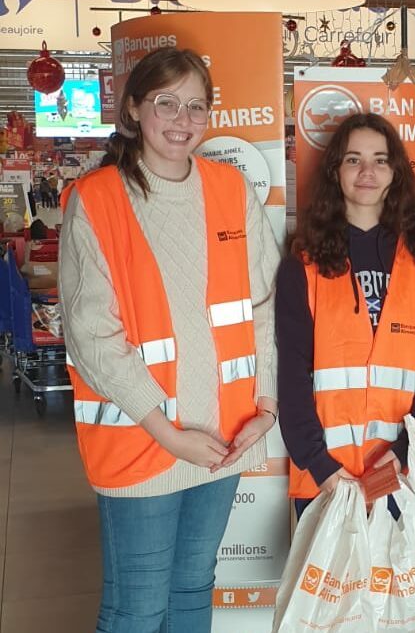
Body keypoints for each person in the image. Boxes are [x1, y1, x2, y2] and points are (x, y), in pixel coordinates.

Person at [58, 47, 280, 633]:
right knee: (136, 610)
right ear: (134, 108)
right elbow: (91, 336)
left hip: (223, 437)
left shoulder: (231, 189)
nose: (182, 120)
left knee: (191, 593)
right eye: (166, 103)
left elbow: (266, 306)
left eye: (196, 106)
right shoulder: (98, 199)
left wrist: (269, 407)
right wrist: (167, 434)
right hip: (143, 443)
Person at [276, 112, 415, 518]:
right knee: (331, 584)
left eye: (380, 159)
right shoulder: (303, 264)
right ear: (335, 171)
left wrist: (403, 453)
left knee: (399, 583)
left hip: (402, 471)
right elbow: (291, 374)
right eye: (353, 159)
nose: (367, 172)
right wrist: (321, 466)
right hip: (325, 478)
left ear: (396, 171)